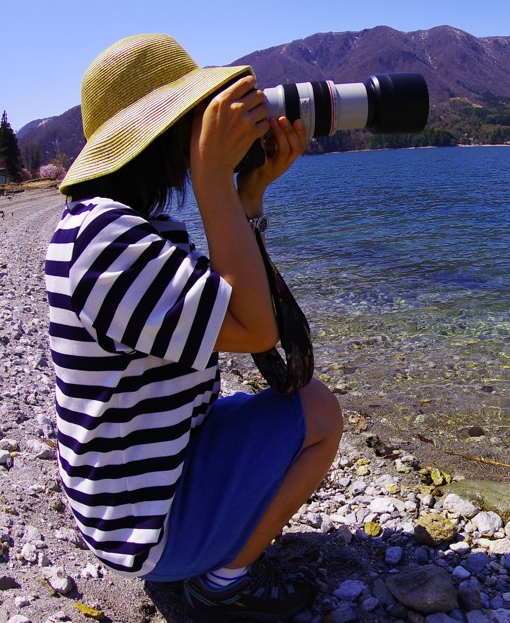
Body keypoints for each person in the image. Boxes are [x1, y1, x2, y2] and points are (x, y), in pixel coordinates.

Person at [44, 33, 343, 621]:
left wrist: (246, 200)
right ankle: (222, 584)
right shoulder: (105, 244)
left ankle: (211, 547)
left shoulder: (115, 229)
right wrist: (212, 186)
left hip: (133, 499)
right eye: (191, 116)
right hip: (144, 525)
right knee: (320, 413)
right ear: (157, 135)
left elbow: (230, 309)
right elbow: (256, 329)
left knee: (301, 403)